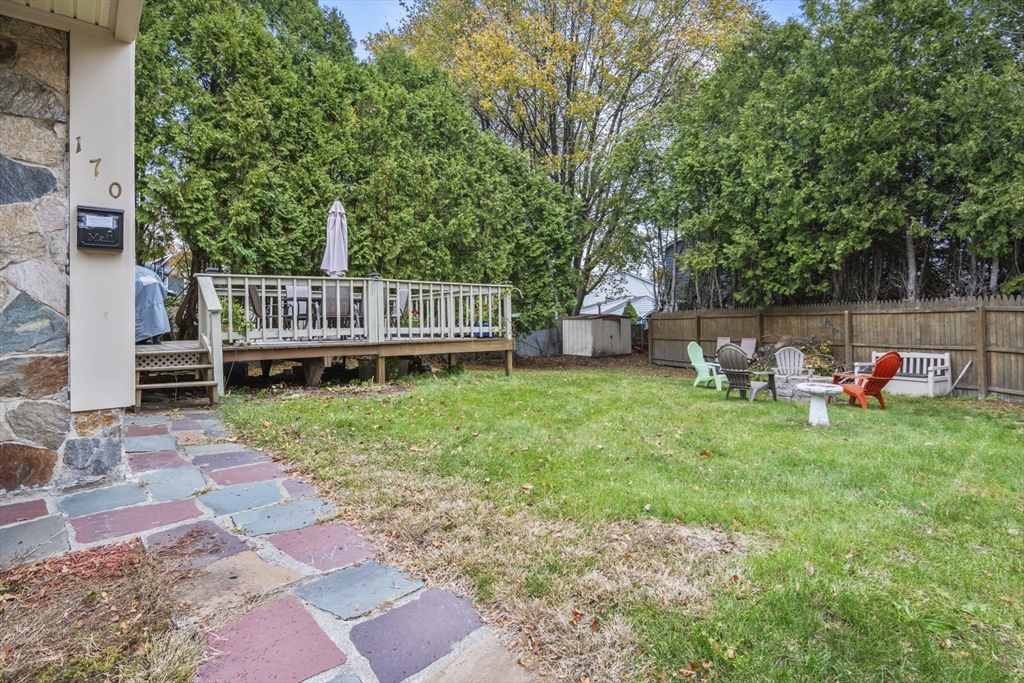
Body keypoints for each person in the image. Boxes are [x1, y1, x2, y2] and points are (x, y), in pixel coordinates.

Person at [135, 265, 172, 344]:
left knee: (141, 321)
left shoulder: (131, 273)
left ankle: (141, 339)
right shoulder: (148, 272)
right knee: (157, 320)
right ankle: (156, 338)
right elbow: (164, 290)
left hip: (140, 304)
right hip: (157, 301)